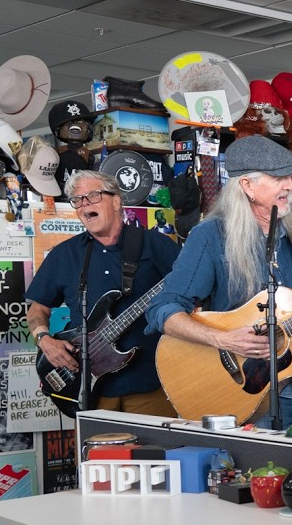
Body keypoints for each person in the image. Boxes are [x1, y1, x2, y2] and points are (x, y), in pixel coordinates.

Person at [147, 136, 292, 428]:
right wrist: (223, 339)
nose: (289, 186)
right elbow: (164, 309)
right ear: (247, 186)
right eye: (277, 178)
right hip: (252, 393)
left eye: (290, 177)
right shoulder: (211, 236)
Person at [28, 170, 181, 416]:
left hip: (150, 382)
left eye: (93, 195)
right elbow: (38, 308)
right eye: (78, 200)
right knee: (95, 454)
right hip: (88, 390)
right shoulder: (64, 255)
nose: (85, 203)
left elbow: (190, 288)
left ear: (116, 200)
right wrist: (44, 340)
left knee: (156, 453)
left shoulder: (155, 244)